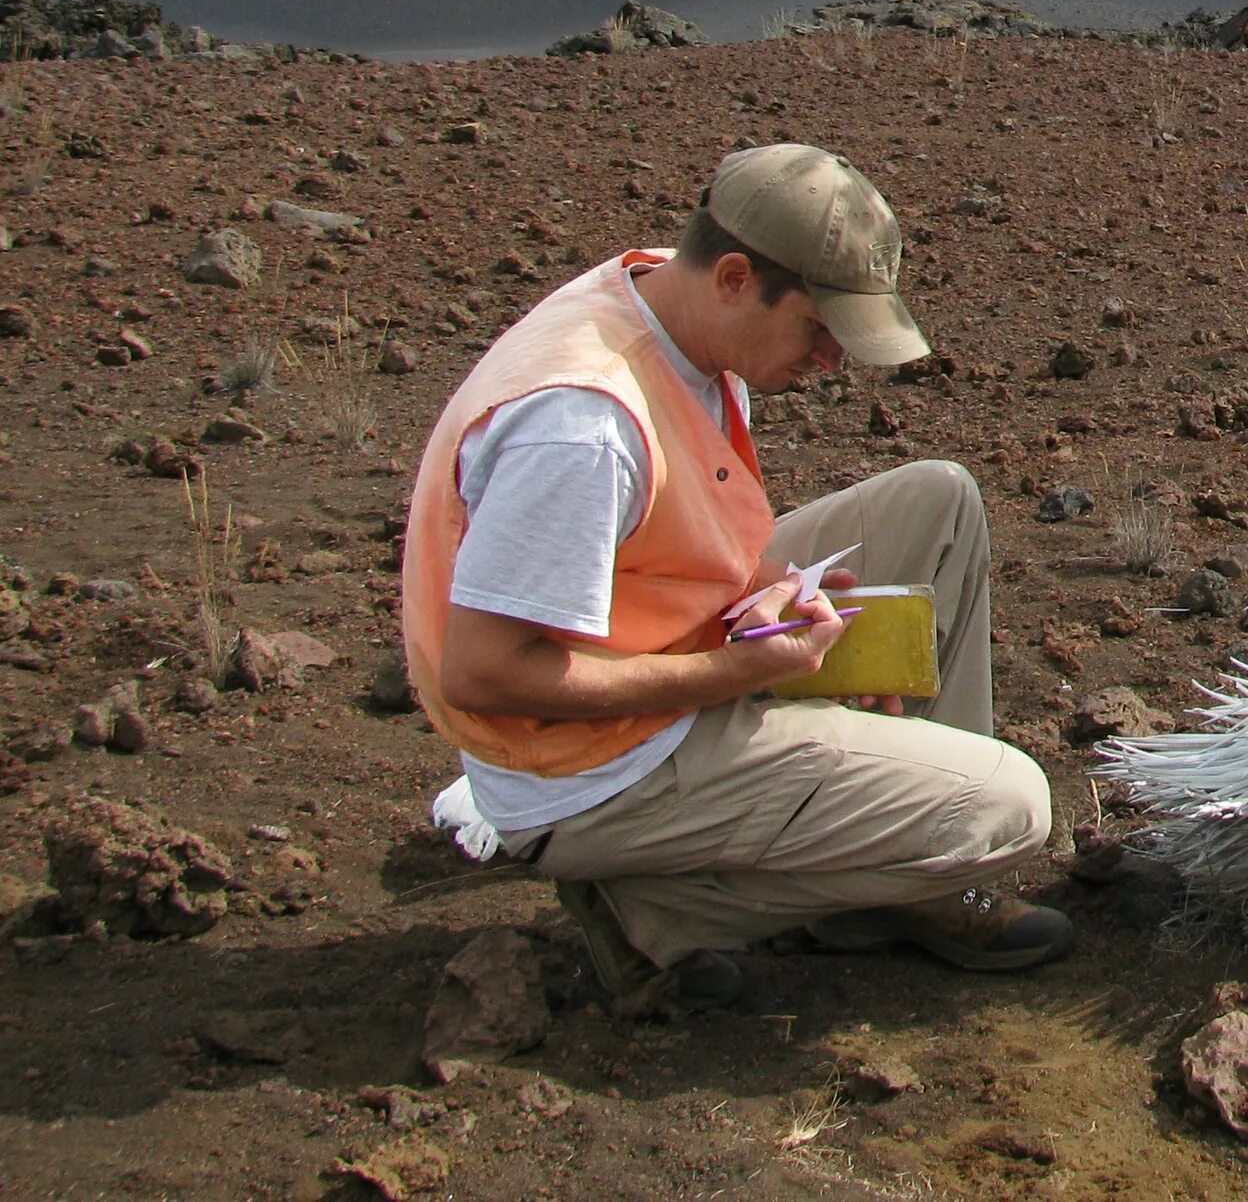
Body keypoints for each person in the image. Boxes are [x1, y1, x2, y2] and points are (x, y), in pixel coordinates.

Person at [399, 142, 1068, 1009]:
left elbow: (665, 539)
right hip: (588, 768)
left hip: (653, 643)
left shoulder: (666, 306)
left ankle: (911, 888)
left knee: (938, 502)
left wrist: (774, 591)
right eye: (818, 329)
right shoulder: (583, 427)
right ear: (734, 279)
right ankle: (653, 913)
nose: (832, 361)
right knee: (1008, 807)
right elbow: (485, 673)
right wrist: (736, 672)